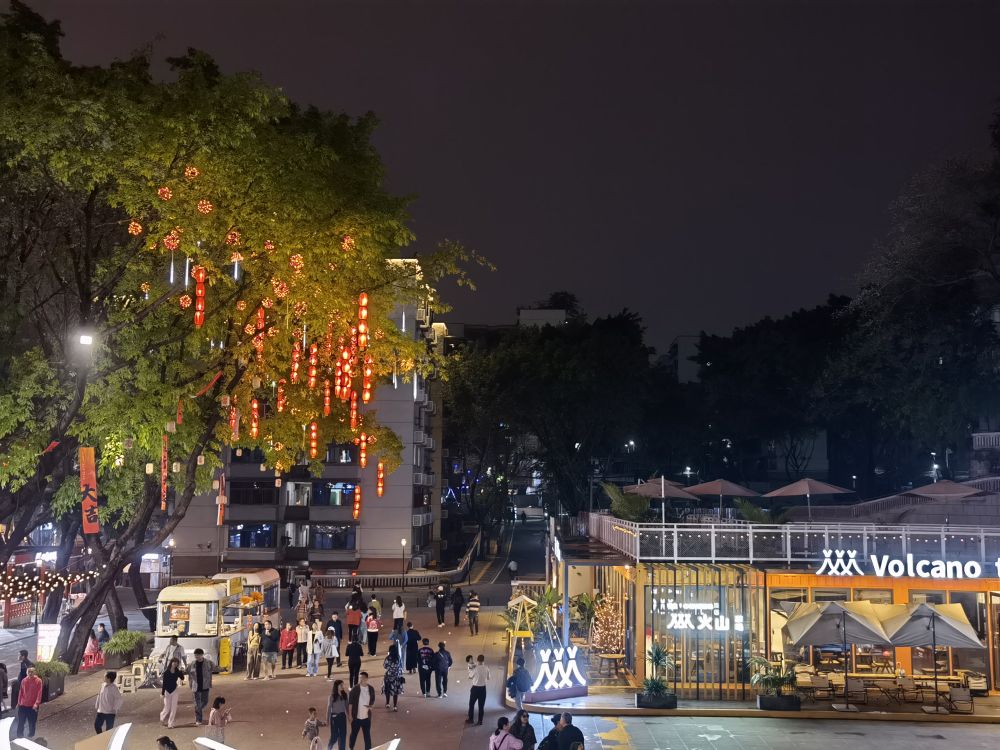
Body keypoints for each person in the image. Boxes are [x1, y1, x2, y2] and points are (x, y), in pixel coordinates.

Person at [186, 648, 214, 726]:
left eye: (198, 655)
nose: (196, 657)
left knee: (205, 701)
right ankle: (198, 719)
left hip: (205, 685)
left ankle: (198, 709)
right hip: (196, 686)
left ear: (202, 655)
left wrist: (223, 668)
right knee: (197, 703)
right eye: (195, 655)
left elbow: (215, 668)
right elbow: (186, 670)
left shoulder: (208, 663)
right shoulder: (192, 664)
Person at [348, 671, 375, 750]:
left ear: (366, 679)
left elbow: (372, 700)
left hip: (366, 718)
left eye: (362, 678)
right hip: (356, 718)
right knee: (353, 735)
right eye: (359, 678)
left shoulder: (371, 689)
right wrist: (350, 715)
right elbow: (350, 703)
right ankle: (351, 748)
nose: (360, 679)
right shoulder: (354, 689)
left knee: (367, 736)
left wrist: (371, 706)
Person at [15, 666, 42, 738]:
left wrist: (36, 703)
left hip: (32, 706)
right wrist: (19, 702)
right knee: (21, 721)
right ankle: (19, 734)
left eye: (31, 672)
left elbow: (39, 693)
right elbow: (21, 692)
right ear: (27, 672)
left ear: (34, 672)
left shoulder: (38, 681)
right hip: (23, 705)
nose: (30, 673)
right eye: (28, 672)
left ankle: (31, 734)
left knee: (32, 722)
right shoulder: (24, 680)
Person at [465, 654, 489, 726]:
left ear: (477, 660)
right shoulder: (487, 668)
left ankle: (471, 719)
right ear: (483, 660)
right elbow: (488, 678)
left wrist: (470, 669)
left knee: (471, 704)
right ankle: (480, 721)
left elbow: (470, 677)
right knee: (481, 706)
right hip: (483, 689)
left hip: (475, 689)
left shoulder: (475, 668)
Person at [159, 657, 184, 728]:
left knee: (174, 708)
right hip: (167, 691)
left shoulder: (177, 671)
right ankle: (162, 716)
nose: (175, 664)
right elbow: (164, 683)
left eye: (177, 663)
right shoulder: (166, 672)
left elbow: (182, 678)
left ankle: (170, 723)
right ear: (171, 663)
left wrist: (181, 672)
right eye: (174, 662)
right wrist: (162, 693)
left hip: (174, 690)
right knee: (167, 708)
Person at [327, 679, 349, 750]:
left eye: (343, 685)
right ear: (336, 686)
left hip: (342, 717)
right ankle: (329, 748)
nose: (343, 686)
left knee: (343, 735)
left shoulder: (345, 695)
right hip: (334, 718)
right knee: (334, 736)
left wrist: (349, 717)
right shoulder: (332, 697)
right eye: (341, 685)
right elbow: (329, 709)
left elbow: (347, 707)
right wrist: (327, 720)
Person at [381, 643, 404, 711]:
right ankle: (395, 706)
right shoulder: (398, 658)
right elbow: (400, 665)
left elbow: (385, 666)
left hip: (388, 676)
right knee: (395, 692)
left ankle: (387, 703)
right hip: (396, 677)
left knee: (387, 690)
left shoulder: (388, 658)